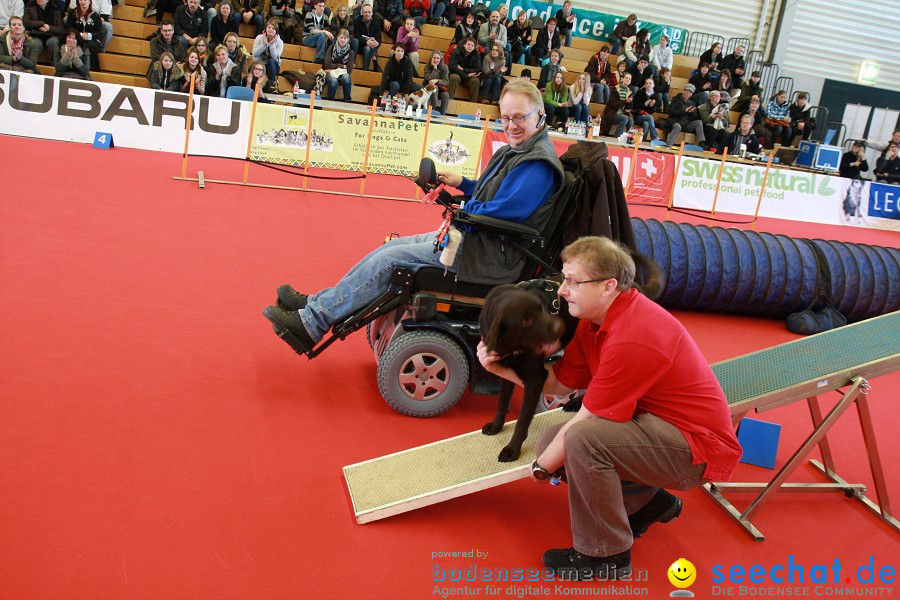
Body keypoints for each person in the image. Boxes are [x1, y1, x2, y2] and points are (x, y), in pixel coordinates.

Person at [476, 236, 741, 581]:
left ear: (608, 286)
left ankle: (605, 554)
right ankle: (649, 503)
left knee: (582, 441)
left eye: (572, 282)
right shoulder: (594, 320)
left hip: (696, 448)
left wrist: (541, 469)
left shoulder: (633, 335)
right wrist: (500, 369)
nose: (561, 291)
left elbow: (589, 418)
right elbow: (560, 383)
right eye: (563, 278)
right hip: (654, 427)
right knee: (556, 444)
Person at [263, 80, 565, 353]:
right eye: (506, 117)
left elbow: (506, 212)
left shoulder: (537, 165)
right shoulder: (518, 151)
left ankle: (312, 323)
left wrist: (462, 209)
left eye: (519, 117)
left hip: (491, 258)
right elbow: (494, 197)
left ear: (540, 115)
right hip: (480, 242)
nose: (511, 125)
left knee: (391, 261)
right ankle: (319, 305)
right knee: (388, 249)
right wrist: (463, 185)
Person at [23, 0, 63, 67]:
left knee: (53, 42)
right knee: (35, 43)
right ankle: (29, 67)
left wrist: (49, 28)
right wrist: (42, 23)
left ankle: (57, 68)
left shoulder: (55, 9)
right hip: (36, 34)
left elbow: (61, 29)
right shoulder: (30, 7)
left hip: (51, 35)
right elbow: (26, 23)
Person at [665, 83, 705, 148]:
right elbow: (671, 112)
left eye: (690, 92)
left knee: (699, 122)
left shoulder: (692, 103)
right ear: (684, 91)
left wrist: (692, 112)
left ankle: (701, 142)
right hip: (676, 122)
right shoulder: (676, 99)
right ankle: (669, 145)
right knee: (677, 126)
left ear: (692, 94)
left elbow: (694, 117)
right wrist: (684, 111)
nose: (688, 94)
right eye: (687, 91)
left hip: (686, 123)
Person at [66, 0, 102, 67]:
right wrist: (80, 35)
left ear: (90, 2)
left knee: (90, 45)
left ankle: (94, 68)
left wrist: (89, 35)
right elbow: (69, 28)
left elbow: (98, 32)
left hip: (92, 40)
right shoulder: (73, 13)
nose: (83, 2)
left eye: (85, 0)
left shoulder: (96, 15)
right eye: (81, 0)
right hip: (76, 38)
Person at [323, 28, 354, 101]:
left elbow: (349, 70)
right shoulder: (331, 48)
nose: (343, 40)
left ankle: (347, 100)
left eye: (345, 38)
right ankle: (330, 99)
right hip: (331, 72)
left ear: (348, 39)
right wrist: (342, 66)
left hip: (343, 74)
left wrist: (335, 66)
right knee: (333, 81)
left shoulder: (350, 52)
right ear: (337, 37)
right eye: (341, 37)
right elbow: (327, 65)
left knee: (346, 78)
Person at [601, 71, 633, 138]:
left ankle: (629, 138)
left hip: (621, 113)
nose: (628, 80)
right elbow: (612, 103)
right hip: (612, 113)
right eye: (626, 78)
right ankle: (617, 137)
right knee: (624, 119)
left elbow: (628, 108)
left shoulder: (629, 91)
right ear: (622, 79)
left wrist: (630, 102)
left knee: (630, 120)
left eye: (629, 79)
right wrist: (625, 101)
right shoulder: (615, 89)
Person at [253, 19, 283, 91]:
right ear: (265, 29)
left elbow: (275, 58)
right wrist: (263, 45)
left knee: (271, 61)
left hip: (273, 65)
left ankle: (272, 83)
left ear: (276, 32)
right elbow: (255, 54)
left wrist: (272, 45)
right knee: (253, 67)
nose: (271, 30)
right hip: (260, 63)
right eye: (269, 27)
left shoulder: (279, 42)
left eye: (273, 28)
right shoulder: (259, 38)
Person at [447, 36, 480, 102]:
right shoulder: (456, 52)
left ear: (474, 48)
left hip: (468, 78)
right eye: (468, 44)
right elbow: (453, 67)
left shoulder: (476, 55)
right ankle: (448, 100)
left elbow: (477, 69)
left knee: (476, 81)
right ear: (464, 45)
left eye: (472, 45)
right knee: (454, 77)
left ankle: (472, 104)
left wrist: (463, 69)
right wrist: (466, 75)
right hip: (457, 75)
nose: (470, 46)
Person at [353, 3, 380, 71]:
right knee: (357, 42)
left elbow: (379, 38)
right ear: (362, 13)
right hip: (359, 46)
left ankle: (365, 70)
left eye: (369, 12)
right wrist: (366, 42)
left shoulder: (376, 23)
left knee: (368, 48)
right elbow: (357, 36)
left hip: (370, 47)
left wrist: (377, 43)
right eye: (365, 12)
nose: (367, 14)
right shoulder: (357, 22)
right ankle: (375, 64)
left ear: (372, 13)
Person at [631, 76, 659, 141]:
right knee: (650, 118)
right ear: (645, 85)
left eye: (650, 83)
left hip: (646, 116)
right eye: (647, 83)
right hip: (638, 115)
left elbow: (651, 111)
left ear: (653, 85)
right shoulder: (639, 93)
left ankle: (642, 141)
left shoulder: (656, 96)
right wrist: (645, 104)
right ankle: (655, 137)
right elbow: (635, 106)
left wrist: (651, 106)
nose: (648, 85)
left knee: (646, 124)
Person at [423, 49, 449, 114]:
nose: (436, 60)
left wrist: (437, 80)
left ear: (441, 59)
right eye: (434, 58)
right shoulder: (427, 67)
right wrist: (435, 68)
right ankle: (433, 110)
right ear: (431, 58)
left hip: (440, 90)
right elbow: (429, 80)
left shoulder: (445, 68)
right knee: (434, 87)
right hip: (428, 89)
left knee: (446, 95)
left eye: (438, 58)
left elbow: (446, 81)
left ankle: (442, 113)